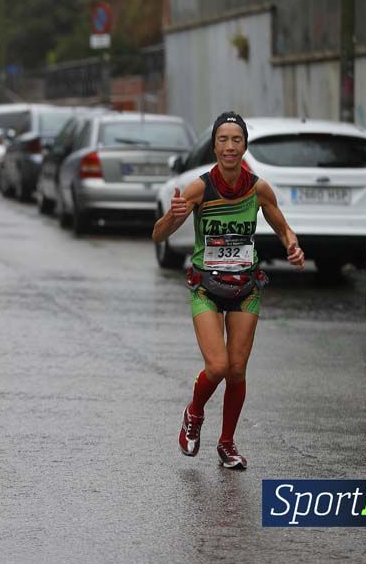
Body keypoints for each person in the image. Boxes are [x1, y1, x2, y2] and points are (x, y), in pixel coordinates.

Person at [151, 111, 305, 470]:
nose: (230, 146)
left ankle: (227, 443)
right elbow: (158, 235)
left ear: (245, 145)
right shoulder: (199, 188)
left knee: (236, 370)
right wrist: (173, 215)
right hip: (206, 286)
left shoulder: (258, 189)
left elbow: (284, 229)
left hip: (246, 287)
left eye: (237, 140)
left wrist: (293, 246)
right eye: (223, 140)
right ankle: (194, 413)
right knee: (218, 366)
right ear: (214, 146)